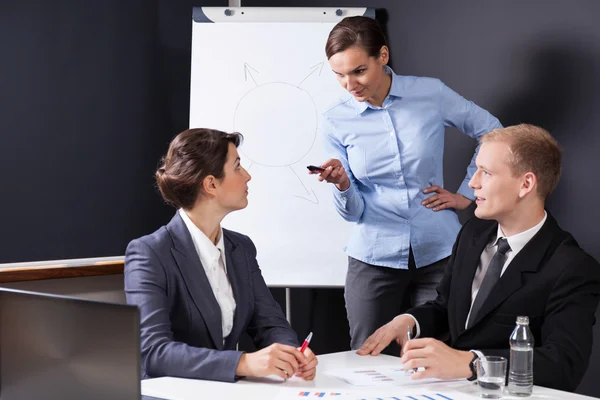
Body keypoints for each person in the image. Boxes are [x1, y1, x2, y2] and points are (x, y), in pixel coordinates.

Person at [357, 124, 600, 392]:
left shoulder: (572, 267)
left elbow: (563, 363)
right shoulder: (473, 232)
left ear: (526, 184)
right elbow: (446, 306)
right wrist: (409, 321)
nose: (473, 183)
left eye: (486, 172)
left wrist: (472, 363)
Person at [310, 15, 503, 352]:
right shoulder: (334, 119)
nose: (350, 85)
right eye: (339, 75)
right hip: (373, 256)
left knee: (434, 357)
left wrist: (465, 195)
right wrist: (342, 185)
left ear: (382, 56)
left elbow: (493, 132)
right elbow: (353, 212)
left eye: (358, 71)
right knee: (368, 356)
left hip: (439, 250)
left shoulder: (430, 93)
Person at [124, 128, 318, 383]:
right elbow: (153, 352)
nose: (247, 176)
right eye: (237, 167)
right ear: (211, 184)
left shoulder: (242, 248)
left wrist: (289, 354)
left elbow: (270, 324)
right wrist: (243, 362)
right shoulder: (150, 252)